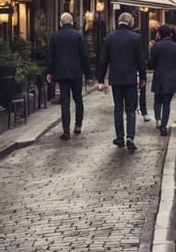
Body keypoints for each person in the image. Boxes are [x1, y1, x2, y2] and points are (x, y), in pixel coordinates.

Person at [97, 11, 146, 151]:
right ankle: (130, 136)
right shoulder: (135, 38)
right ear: (130, 22)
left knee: (118, 108)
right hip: (130, 78)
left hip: (116, 79)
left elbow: (103, 60)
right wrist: (143, 77)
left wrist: (101, 80)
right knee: (131, 109)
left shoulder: (110, 38)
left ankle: (119, 138)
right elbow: (140, 60)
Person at [46, 12, 92, 140]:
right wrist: (89, 75)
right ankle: (78, 125)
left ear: (61, 23)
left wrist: (49, 72)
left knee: (65, 102)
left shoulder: (55, 36)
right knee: (78, 99)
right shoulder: (78, 35)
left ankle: (66, 130)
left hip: (61, 74)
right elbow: (84, 56)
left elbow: (50, 56)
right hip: (76, 73)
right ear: (72, 22)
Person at [148, 24, 176, 135]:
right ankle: (163, 126)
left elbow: (150, 64)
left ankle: (158, 119)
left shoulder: (157, 46)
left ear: (160, 34)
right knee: (167, 103)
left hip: (159, 77)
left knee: (157, 100)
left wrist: (150, 51)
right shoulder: (175, 46)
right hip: (172, 78)